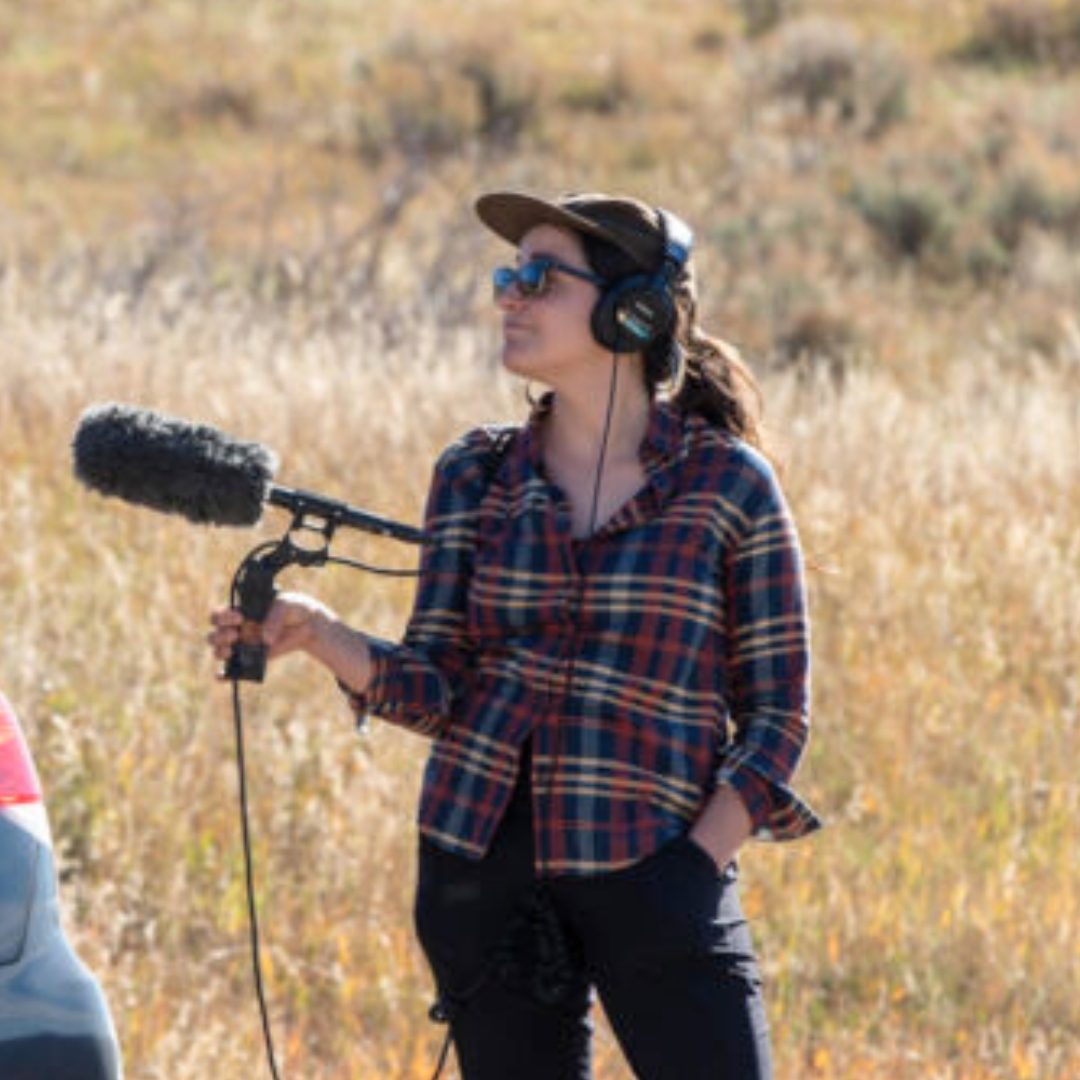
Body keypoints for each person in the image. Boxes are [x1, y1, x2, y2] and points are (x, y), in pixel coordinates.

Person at [208, 190, 821, 1080]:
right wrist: (320, 635)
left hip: (655, 869)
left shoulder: (729, 486)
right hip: (478, 875)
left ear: (632, 310)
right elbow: (438, 688)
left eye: (539, 277)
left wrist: (693, 869)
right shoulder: (472, 472)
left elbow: (779, 715)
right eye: (507, 274)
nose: (510, 295)